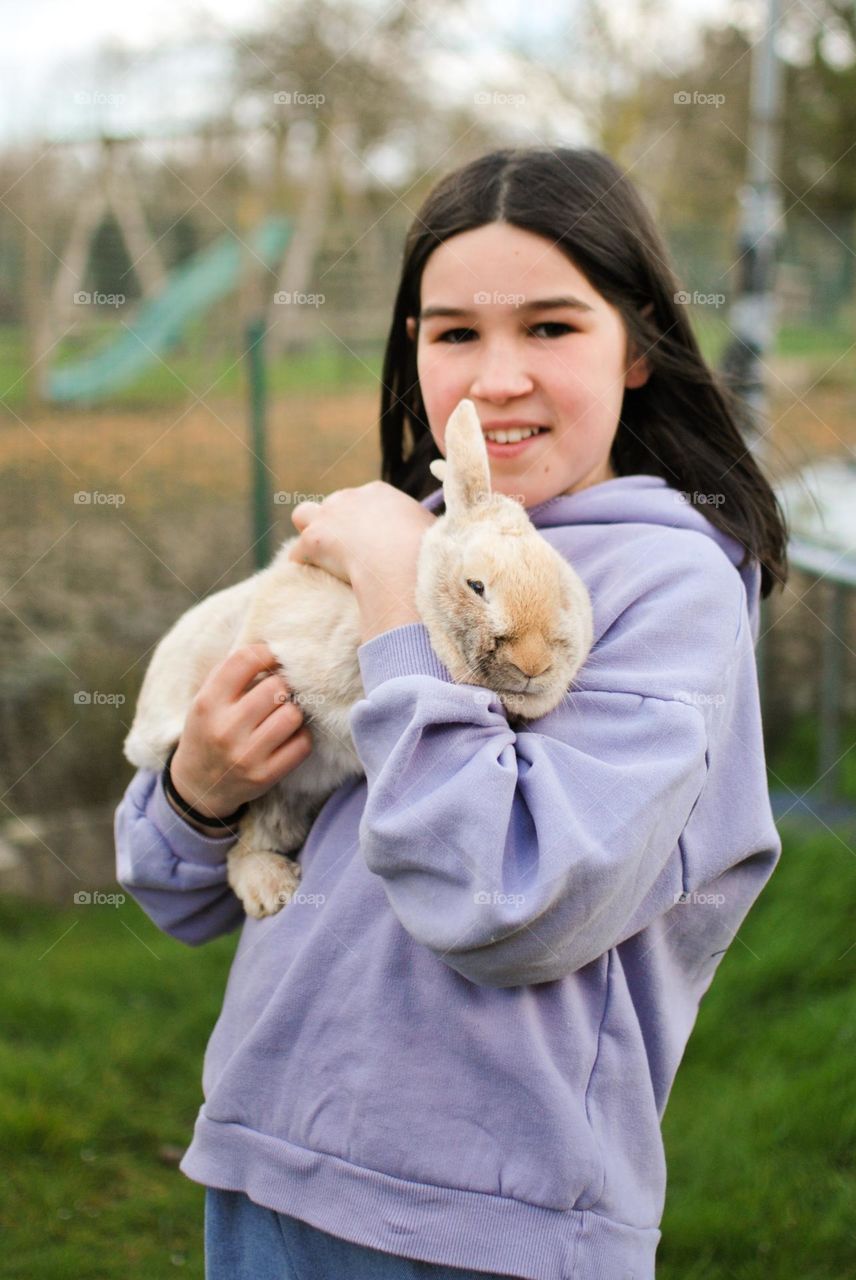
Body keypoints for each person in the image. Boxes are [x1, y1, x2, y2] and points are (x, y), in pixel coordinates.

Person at [115, 146, 788, 1280]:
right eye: (453, 331)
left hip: (485, 1224)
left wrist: (394, 589)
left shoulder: (667, 588)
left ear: (638, 346)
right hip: (258, 1165)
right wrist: (202, 788)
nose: (496, 377)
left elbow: (511, 899)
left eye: (551, 326)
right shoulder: (391, 537)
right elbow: (167, 889)